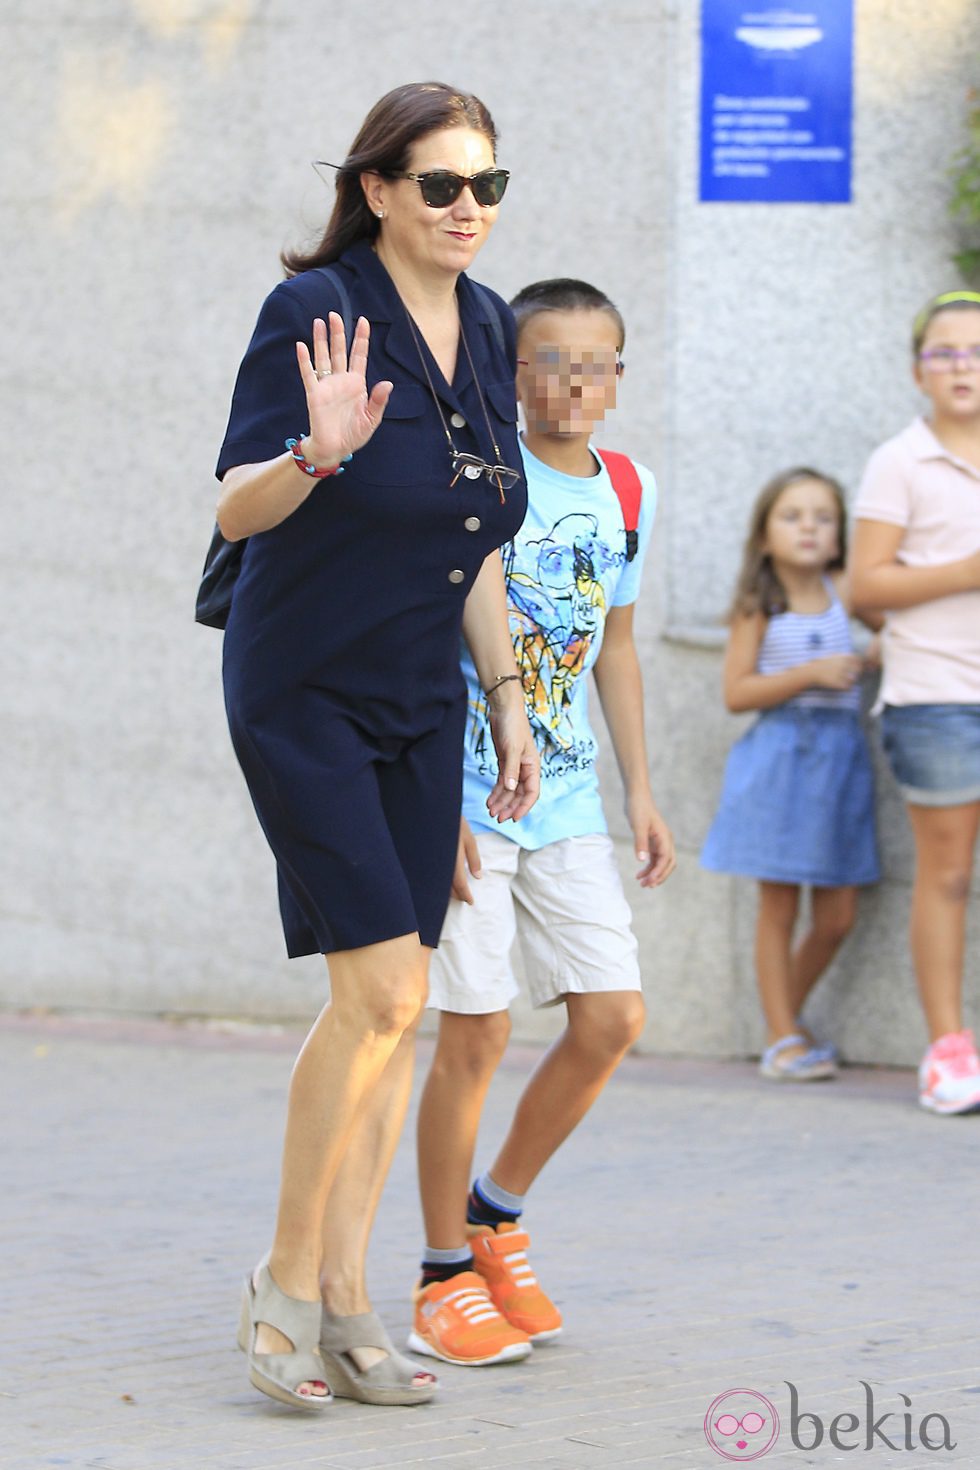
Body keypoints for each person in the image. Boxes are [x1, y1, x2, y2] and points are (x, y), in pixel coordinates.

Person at [215, 81, 539, 1409]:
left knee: (388, 1005)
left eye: (489, 187)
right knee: (386, 996)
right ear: (379, 190)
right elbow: (238, 511)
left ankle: (353, 1298)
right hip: (307, 688)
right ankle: (290, 1285)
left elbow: (467, 534)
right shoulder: (316, 314)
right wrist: (317, 450)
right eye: (443, 185)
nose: (469, 210)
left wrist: (507, 699)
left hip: (423, 697)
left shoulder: (493, 324)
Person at [407, 279, 675, 1367]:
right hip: (467, 799)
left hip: (565, 800)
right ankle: (439, 1278)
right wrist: (429, 798)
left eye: (594, 362)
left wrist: (640, 792)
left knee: (611, 1017)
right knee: (476, 1029)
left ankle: (494, 1216)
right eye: (547, 360)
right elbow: (422, 635)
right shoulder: (475, 475)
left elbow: (612, 642)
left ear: (617, 378)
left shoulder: (625, 486)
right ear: (508, 372)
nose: (571, 382)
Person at [701, 469, 881, 1080]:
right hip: (780, 761)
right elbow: (736, 692)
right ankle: (783, 1037)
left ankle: (785, 1024)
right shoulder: (761, 603)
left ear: (839, 537)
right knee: (778, 907)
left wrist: (875, 652)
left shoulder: (846, 589)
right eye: (793, 516)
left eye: (823, 517)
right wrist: (811, 674)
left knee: (837, 916)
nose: (809, 527)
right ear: (764, 536)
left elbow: (883, 632)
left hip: (842, 764)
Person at [850, 289, 980, 1115]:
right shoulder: (899, 460)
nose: (962, 366)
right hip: (936, 698)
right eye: (945, 353)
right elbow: (865, 587)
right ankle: (948, 1050)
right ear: (917, 370)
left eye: (975, 352)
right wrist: (967, 571)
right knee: (948, 875)